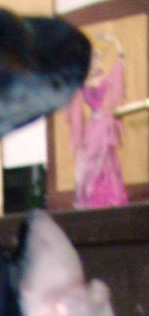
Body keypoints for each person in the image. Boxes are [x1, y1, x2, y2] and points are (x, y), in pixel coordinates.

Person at [66, 31, 128, 208]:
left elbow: (121, 60)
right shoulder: (84, 83)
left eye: (98, 57)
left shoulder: (100, 79)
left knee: (107, 160)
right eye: (94, 57)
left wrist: (114, 40)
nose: (97, 61)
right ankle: (93, 199)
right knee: (91, 161)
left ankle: (109, 197)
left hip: (103, 125)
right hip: (95, 127)